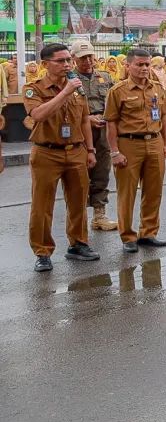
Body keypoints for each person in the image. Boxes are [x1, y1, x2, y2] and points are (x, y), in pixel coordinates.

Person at [24, 43, 100, 272]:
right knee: (42, 205)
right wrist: (65, 92)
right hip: (47, 151)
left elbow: (85, 119)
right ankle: (43, 251)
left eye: (68, 60)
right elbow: (38, 114)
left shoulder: (77, 86)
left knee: (78, 202)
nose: (67, 64)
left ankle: (78, 244)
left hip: (76, 150)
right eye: (61, 61)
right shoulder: (33, 88)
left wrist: (90, 150)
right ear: (45, 64)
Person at [103, 48, 166, 252]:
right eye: (139, 64)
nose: (144, 68)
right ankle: (128, 236)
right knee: (127, 192)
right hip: (129, 143)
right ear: (128, 65)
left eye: (147, 64)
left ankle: (149, 232)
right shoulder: (118, 91)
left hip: (154, 142)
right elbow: (111, 123)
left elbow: (165, 117)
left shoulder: (157, 88)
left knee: (154, 190)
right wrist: (114, 151)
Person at [70, 42, 119, 232]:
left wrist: (107, 117)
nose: (88, 60)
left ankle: (99, 215)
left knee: (101, 172)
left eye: (90, 56)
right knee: (79, 175)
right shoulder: (69, 80)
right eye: (83, 57)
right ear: (74, 58)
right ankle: (77, 218)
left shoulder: (105, 77)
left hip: (103, 131)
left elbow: (115, 101)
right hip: (78, 132)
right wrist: (87, 119)